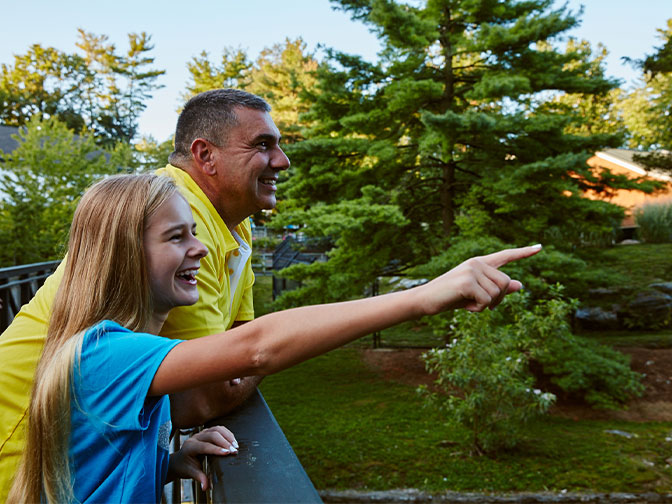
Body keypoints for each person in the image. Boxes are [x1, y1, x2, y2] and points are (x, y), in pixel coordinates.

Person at [8, 173, 540, 503]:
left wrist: (162, 457)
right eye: (177, 237)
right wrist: (427, 295)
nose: (198, 249)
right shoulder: (106, 354)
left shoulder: (101, 350)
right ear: (124, 255)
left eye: (195, 232)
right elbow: (257, 345)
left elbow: (85, 462)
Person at [0, 88, 284, 499]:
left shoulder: (232, 227)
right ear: (205, 155)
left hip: (76, 459)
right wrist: (259, 354)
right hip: (21, 456)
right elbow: (205, 396)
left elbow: (239, 342)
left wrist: (163, 462)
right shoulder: (168, 212)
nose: (282, 159)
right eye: (262, 144)